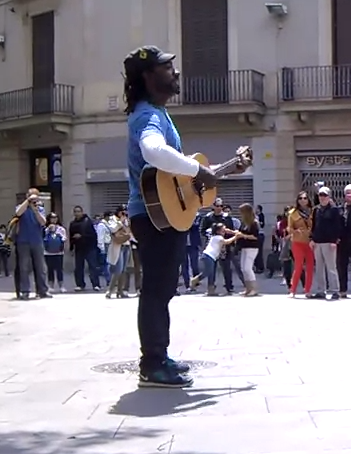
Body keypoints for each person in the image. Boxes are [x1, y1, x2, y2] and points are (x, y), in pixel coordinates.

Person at [124, 45, 222, 387]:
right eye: (167, 68)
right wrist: (197, 168)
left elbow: (173, 177)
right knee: (155, 290)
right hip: (154, 216)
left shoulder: (155, 112)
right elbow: (153, 151)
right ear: (149, 77)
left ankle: (159, 355)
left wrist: (201, 174)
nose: (176, 73)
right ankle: (152, 364)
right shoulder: (148, 116)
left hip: (160, 214)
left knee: (162, 289)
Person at [15, 188, 50, 300]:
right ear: (27, 196)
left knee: (41, 267)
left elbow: (43, 222)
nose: (34, 199)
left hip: (37, 241)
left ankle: (42, 291)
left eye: (35, 196)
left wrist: (35, 210)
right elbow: (18, 213)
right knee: (24, 268)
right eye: (31, 196)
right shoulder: (22, 207)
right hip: (23, 241)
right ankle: (25, 291)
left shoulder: (40, 209)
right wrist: (27, 201)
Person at [309, 186, 342, 300]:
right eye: (320, 195)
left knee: (331, 268)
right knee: (319, 268)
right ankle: (321, 290)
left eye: (325, 195)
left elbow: (338, 226)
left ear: (329, 197)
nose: (322, 198)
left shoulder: (334, 209)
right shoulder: (316, 210)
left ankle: (335, 291)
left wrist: (334, 240)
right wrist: (311, 239)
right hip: (317, 242)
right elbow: (313, 225)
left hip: (329, 242)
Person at [190, 223, 240, 295]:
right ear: (217, 231)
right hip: (209, 256)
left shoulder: (215, 237)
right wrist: (236, 237)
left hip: (210, 257)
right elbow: (227, 242)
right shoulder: (218, 237)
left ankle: (210, 290)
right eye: (222, 230)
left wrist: (232, 232)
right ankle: (195, 280)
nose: (224, 231)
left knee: (211, 273)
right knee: (208, 272)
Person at [287, 192, 314, 298]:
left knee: (310, 267)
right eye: (301, 198)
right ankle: (292, 290)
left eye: (305, 198)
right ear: (297, 200)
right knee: (298, 266)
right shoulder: (293, 213)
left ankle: (307, 290)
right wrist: (295, 231)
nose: (303, 200)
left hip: (310, 242)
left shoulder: (313, 212)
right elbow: (289, 228)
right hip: (297, 242)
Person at [69, 205, 100, 292]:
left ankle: (96, 284)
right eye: (75, 211)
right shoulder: (73, 224)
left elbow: (93, 235)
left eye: (79, 211)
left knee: (93, 266)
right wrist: (71, 248)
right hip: (79, 248)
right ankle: (80, 284)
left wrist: (82, 236)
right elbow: (71, 236)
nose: (77, 213)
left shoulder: (88, 221)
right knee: (78, 267)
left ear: (82, 212)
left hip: (90, 247)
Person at [105, 205, 132, 299]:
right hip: (117, 246)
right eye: (122, 211)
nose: (124, 213)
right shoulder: (112, 219)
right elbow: (112, 229)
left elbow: (129, 231)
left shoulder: (127, 220)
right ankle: (110, 290)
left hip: (126, 245)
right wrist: (120, 221)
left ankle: (120, 291)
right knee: (118, 269)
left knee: (124, 270)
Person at [237, 203, 261, 296]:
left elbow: (255, 236)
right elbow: (240, 232)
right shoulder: (244, 223)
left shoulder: (254, 223)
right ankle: (247, 288)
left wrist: (243, 235)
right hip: (244, 247)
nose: (241, 214)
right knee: (243, 268)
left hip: (252, 247)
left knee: (248, 268)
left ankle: (254, 288)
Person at [44, 213, 67, 293]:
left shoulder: (61, 229)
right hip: (48, 253)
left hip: (59, 253)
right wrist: (48, 231)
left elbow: (64, 239)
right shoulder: (45, 229)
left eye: (55, 217)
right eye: (52, 218)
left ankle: (61, 286)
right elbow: (43, 238)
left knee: (59, 269)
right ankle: (51, 286)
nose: (54, 219)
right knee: (50, 269)